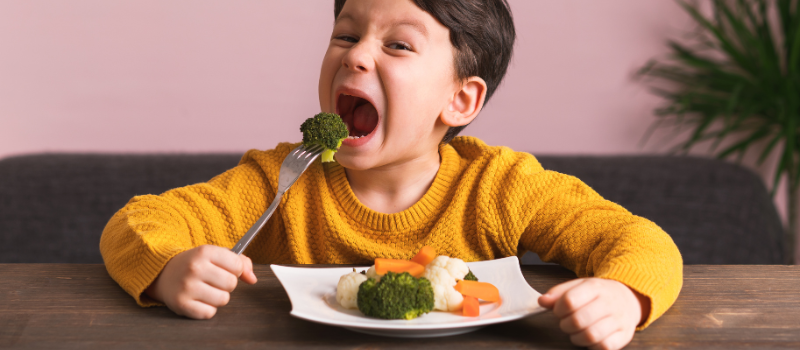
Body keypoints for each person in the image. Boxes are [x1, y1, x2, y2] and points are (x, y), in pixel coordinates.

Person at [100, 0, 682, 349]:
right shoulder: (283, 178)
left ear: (460, 100)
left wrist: (623, 295)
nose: (355, 55)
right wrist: (169, 268)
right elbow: (139, 221)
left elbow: (639, 240)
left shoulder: (504, 188)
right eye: (346, 34)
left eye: (398, 45)